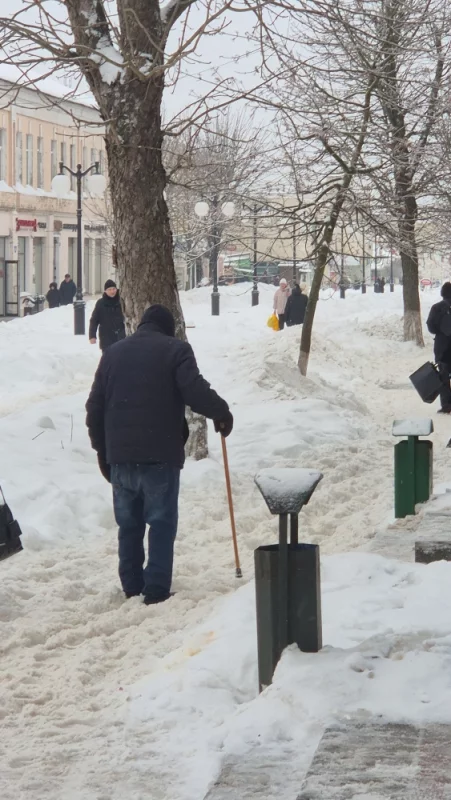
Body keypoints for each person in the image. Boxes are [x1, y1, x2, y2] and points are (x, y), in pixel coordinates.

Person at [86, 304, 233, 605]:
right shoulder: (175, 350)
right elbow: (194, 390)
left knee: (129, 525)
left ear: (141, 325)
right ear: (168, 328)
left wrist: (103, 451)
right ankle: (155, 590)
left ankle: (131, 586)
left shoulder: (112, 354)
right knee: (161, 523)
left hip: (121, 457)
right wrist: (221, 412)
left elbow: (94, 409)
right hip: (160, 454)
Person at [426, 282, 451, 413]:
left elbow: (431, 326)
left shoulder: (437, 308)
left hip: (443, 347)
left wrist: (441, 331)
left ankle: (447, 405)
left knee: (443, 376)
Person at [89, 280, 126, 351]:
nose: (112, 291)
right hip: (106, 337)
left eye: (114, 289)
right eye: (109, 289)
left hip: (121, 336)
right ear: (105, 291)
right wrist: (92, 336)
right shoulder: (100, 303)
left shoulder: (121, 301)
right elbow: (94, 320)